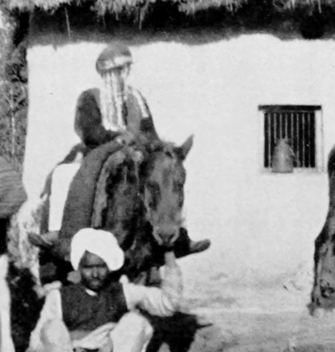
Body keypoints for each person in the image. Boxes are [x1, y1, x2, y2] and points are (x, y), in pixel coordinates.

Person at [30, 43, 209, 267]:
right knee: (63, 174)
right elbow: (89, 131)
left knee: (169, 175)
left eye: (126, 69)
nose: (123, 74)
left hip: (137, 152)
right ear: (107, 73)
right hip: (101, 149)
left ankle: (180, 234)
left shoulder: (137, 98)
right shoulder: (91, 97)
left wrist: (150, 145)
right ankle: (61, 232)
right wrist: (116, 138)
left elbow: (149, 130)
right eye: (118, 70)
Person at [33, 228, 183, 352]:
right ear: (79, 267)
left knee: (135, 322)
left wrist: (168, 253)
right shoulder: (60, 297)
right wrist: (77, 350)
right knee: (51, 328)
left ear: (110, 266)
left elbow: (168, 304)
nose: (95, 274)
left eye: (101, 267)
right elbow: (38, 342)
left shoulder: (123, 292)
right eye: (88, 267)